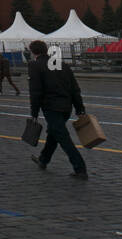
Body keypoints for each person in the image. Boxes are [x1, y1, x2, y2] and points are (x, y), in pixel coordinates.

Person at [28, 39, 88, 179]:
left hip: (51, 107)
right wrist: (79, 108)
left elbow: (35, 91)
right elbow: (74, 88)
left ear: (33, 52)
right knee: (54, 134)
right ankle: (43, 160)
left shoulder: (35, 65)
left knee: (63, 137)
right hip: (66, 106)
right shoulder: (62, 64)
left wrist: (34, 113)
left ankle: (80, 168)